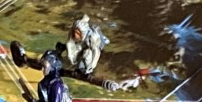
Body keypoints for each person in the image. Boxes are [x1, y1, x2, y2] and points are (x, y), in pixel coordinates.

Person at [11, 15, 141, 91]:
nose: (75, 35)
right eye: (75, 32)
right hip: (63, 61)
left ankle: (25, 61)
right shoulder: (73, 42)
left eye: (78, 33)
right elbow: (69, 46)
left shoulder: (88, 56)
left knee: (48, 69)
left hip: (68, 70)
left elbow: (92, 79)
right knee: (46, 62)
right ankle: (24, 60)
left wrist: (106, 83)